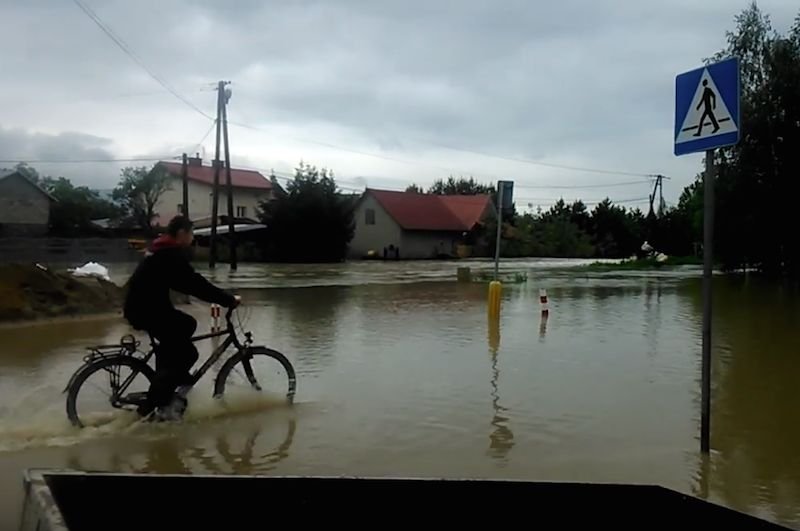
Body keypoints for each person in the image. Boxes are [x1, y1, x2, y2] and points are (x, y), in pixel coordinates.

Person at [123, 215, 239, 421]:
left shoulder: (160, 248)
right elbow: (193, 284)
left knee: (185, 327)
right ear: (182, 234)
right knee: (187, 355)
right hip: (146, 309)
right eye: (191, 233)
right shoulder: (169, 254)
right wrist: (227, 299)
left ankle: (166, 384)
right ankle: (156, 402)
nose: (193, 238)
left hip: (144, 306)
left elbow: (187, 283)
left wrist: (219, 298)